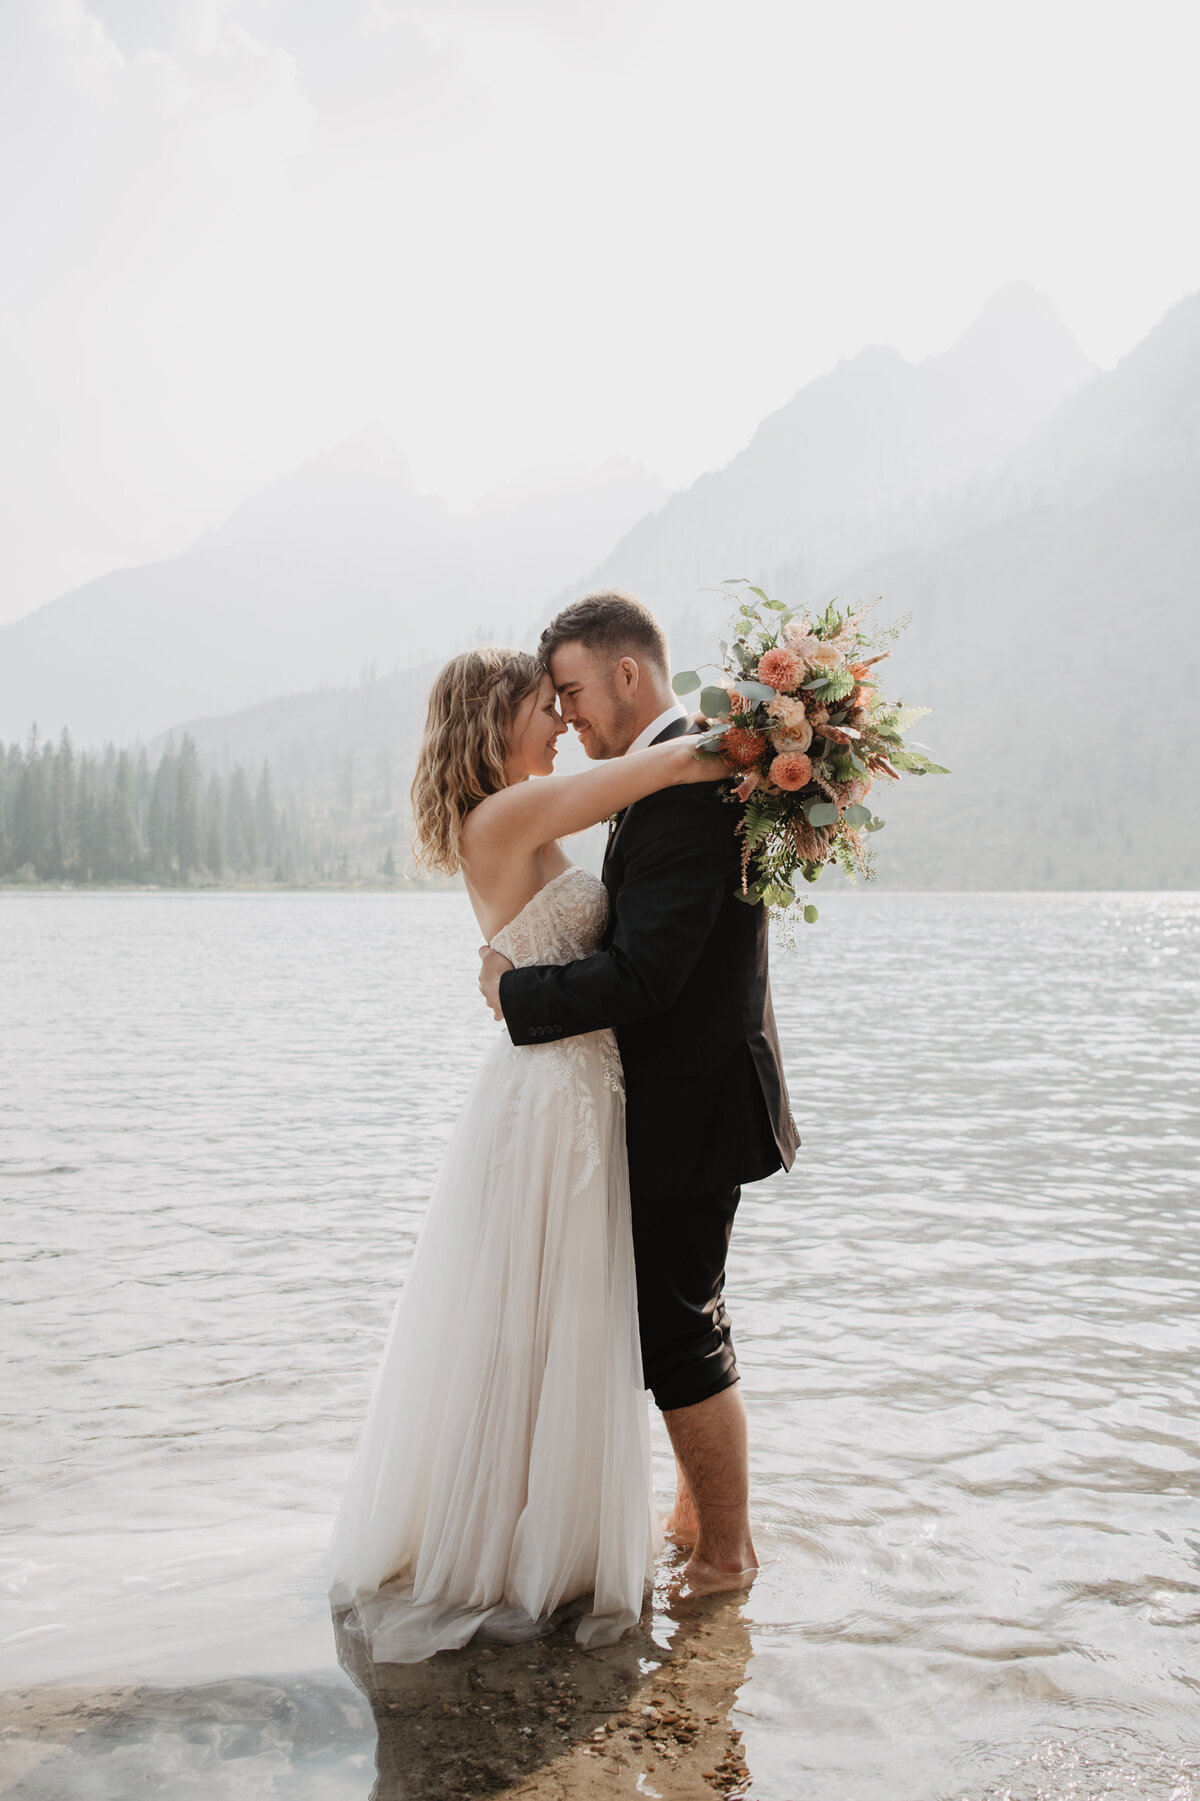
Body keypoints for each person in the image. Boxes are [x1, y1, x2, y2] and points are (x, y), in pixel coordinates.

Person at [328, 642, 728, 1660]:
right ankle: (521, 1551)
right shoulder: (503, 817)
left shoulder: (519, 814)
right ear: (494, 722)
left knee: (563, 1319)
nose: (560, 722)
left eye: (563, 702)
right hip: (551, 1099)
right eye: (544, 708)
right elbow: (660, 768)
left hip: (579, 1089)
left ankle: (552, 1536)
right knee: (532, 1319)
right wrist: (767, 737)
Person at [478, 590, 797, 1595]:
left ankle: (723, 1556)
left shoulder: (684, 782)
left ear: (628, 674)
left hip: (690, 1097)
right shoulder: (673, 771)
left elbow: (647, 973)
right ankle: (700, 1519)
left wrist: (513, 991)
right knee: (688, 1312)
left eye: (571, 691)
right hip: (687, 1091)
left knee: (677, 1331)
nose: (567, 716)